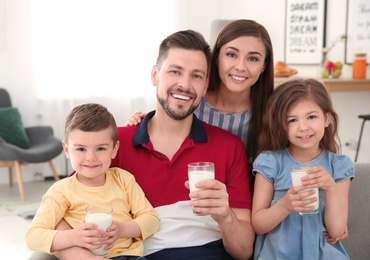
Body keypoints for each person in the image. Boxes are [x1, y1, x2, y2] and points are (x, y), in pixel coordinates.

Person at [48, 29, 254, 260]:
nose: (185, 85)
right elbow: (60, 219)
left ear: (205, 85)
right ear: (155, 75)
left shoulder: (229, 147)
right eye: (175, 71)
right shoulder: (113, 145)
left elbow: (244, 251)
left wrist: (225, 215)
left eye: (196, 76)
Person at [126, 19, 275, 167]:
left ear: (264, 66)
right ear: (216, 58)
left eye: (253, 58)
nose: (240, 67)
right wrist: (144, 124)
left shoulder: (272, 112)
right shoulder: (192, 97)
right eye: (231, 55)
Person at [26, 103, 160, 259]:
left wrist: (122, 229)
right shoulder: (61, 191)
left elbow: (152, 220)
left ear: (114, 149)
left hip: (128, 256)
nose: (91, 158)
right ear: (67, 150)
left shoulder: (124, 180)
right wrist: (73, 237)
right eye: (81, 149)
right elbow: (33, 236)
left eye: (101, 148)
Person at [251, 78, 354, 259]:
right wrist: (284, 205)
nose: (303, 127)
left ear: (327, 119)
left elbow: (337, 230)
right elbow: (258, 225)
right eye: (292, 120)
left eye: (311, 117)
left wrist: (330, 187)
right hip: (279, 255)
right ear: (280, 125)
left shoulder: (338, 166)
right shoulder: (270, 163)